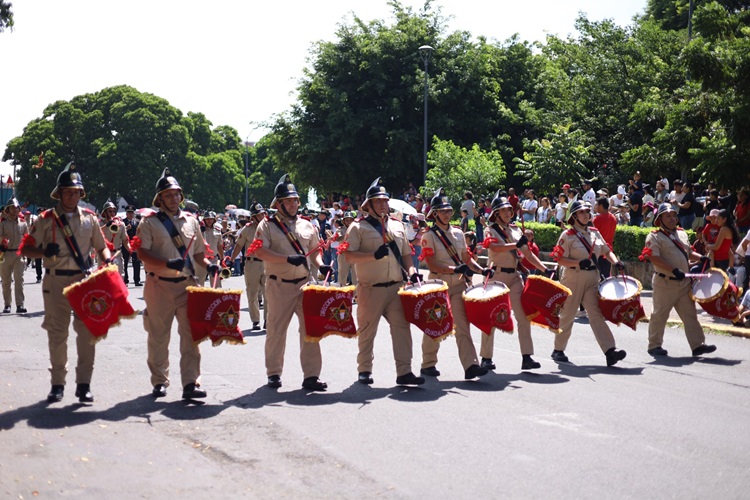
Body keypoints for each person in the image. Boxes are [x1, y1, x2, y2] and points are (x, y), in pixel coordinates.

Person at [21, 162, 112, 403]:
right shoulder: (45, 219)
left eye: (76, 192)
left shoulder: (90, 220)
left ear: (81, 194)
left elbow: (101, 247)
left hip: (84, 282)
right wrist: (42, 252)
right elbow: (26, 249)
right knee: (57, 334)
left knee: (86, 334)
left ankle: (84, 384)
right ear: (59, 193)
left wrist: (107, 261)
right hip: (55, 281)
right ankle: (58, 383)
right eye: (67, 191)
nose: (72, 195)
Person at [136, 168, 219, 400]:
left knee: (192, 336)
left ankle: (191, 383)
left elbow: (200, 253)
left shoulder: (192, 222)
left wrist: (209, 265)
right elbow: (142, 253)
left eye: (176, 194)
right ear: (159, 198)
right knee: (158, 336)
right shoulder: (149, 222)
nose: (173, 198)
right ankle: (160, 381)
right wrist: (165, 262)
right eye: (168, 194)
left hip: (187, 286)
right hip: (159, 286)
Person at [342, 177, 425, 386]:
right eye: (378, 201)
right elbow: (349, 256)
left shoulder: (397, 226)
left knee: (402, 329)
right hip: (371, 288)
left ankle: (405, 371)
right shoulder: (357, 228)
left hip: (396, 286)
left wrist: (413, 272)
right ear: (367, 204)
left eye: (385, 200)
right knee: (367, 330)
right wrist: (373, 256)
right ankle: (364, 369)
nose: (382, 204)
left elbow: (406, 254)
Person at [253, 174, 330, 391]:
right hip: (279, 285)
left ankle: (311, 376)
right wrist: (286, 258)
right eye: (288, 201)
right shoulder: (266, 226)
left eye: (295, 200)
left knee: (311, 331)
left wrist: (321, 264)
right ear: (278, 203)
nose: (293, 204)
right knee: (276, 331)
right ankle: (274, 373)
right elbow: (260, 251)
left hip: (305, 283)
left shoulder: (308, 225)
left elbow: (314, 251)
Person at [418, 188, 492, 380]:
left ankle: (470, 366)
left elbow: (467, 258)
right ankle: (428, 363)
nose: (447, 214)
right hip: (437, 285)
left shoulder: (459, 233)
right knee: (436, 325)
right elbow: (432, 264)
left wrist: (481, 270)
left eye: (449, 210)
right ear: (434, 214)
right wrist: (455, 269)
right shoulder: (429, 236)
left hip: (458, 286)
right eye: (443, 211)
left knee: (462, 325)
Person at [551, 200, 628, 366]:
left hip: (592, 278)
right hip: (573, 277)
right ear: (574, 216)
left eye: (587, 211)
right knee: (568, 314)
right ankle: (558, 349)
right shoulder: (567, 235)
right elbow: (559, 258)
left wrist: (616, 262)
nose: (586, 214)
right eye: (581, 212)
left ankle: (610, 351)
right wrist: (577, 263)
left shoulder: (594, 232)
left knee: (596, 313)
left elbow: (607, 251)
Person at [483, 192, 553, 370]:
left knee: (523, 317)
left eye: (509, 209)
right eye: (504, 210)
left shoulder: (516, 230)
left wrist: (545, 269)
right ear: (496, 213)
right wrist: (516, 245)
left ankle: (527, 356)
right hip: (496, 276)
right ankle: (486, 358)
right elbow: (494, 247)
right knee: (491, 316)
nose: (508, 213)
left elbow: (527, 254)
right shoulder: (490, 230)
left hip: (514, 277)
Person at [643, 203, 717, 357]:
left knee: (690, 314)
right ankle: (654, 345)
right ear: (659, 219)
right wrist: (673, 270)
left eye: (673, 215)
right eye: (667, 216)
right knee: (660, 314)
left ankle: (698, 345)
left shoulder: (681, 234)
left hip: (683, 282)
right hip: (665, 282)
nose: (672, 218)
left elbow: (688, 252)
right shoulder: (654, 236)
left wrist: (701, 258)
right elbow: (654, 257)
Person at [229, 202, 268, 331]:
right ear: (253, 217)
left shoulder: (269, 227)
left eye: (262, 214)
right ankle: (255, 320)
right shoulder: (247, 229)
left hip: (268, 262)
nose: (261, 216)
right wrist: (232, 259)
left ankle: (267, 320)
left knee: (269, 294)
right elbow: (239, 245)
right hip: (252, 263)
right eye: (258, 215)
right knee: (252, 293)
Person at [0, 198, 29, 313]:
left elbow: (27, 238)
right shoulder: (3, 223)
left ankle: (20, 305)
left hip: (19, 254)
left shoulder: (23, 223)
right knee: (6, 281)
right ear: (8, 209)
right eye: (12, 207)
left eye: (17, 207)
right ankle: (7, 304)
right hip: (5, 254)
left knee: (19, 280)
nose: (15, 209)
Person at [100, 200, 131, 280]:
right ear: (105, 212)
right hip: (103, 255)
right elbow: (95, 234)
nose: (112, 213)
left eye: (114, 211)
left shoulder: (121, 224)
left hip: (117, 254)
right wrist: (106, 225)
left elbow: (125, 240)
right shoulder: (99, 223)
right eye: (110, 211)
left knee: (119, 279)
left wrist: (131, 251)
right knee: (104, 280)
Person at [195, 211, 224, 287]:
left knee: (215, 283)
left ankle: (214, 298)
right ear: (204, 220)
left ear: (214, 220)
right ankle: (200, 298)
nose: (209, 221)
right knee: (199, 283)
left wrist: (222, 258)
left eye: (211, 219)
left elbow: (219, 245)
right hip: (201, 259)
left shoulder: (217, 230)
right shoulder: (199, 229)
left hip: (214, 258)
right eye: (207, 219)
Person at [593, 197, 617, 276]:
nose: (595, 206)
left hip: (598, 252)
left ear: (601, 206)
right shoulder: (613, 218)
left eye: (597, 205)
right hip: (608, 251)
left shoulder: (597, 219)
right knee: (606, 277)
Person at [122, 205, 142, 286]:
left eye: (132, 213)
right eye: (129, 213)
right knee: (125, 263)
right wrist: (126, 228)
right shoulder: (122, 222)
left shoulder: (136, 222)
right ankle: (125, 280)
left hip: (134, 245)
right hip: (125, 244)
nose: (130, 214)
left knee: (136, 263)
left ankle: (137, 280)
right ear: (126, 214)